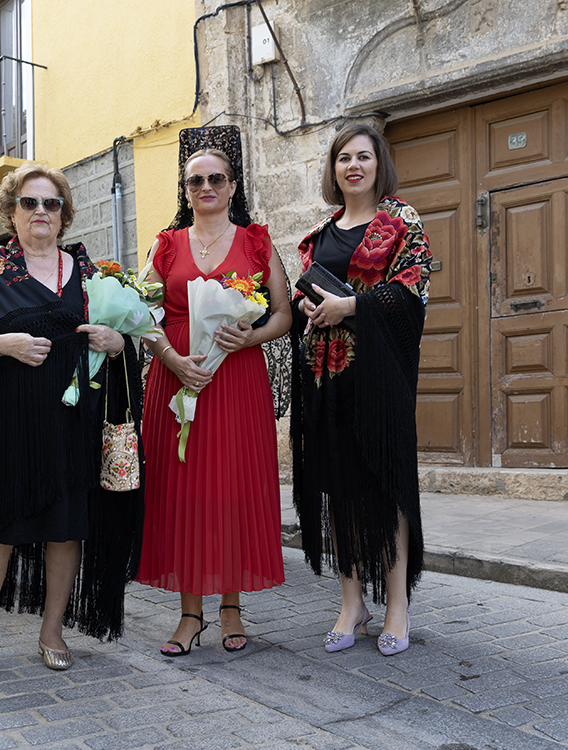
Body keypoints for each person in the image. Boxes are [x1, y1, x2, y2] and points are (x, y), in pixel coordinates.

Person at [0, 162, 144, 681]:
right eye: (29, 203)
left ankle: (52, 630)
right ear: (11, 212)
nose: (40, 212)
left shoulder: (92, 275)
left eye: (50, 204)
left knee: (66, 530)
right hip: (10, 429)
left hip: (76, 425)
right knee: (0, 533)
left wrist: (119, 343)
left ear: (63, 213)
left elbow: (124, 337)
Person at [135, 127, 290, 656]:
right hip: (176, 374)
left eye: (215, 179)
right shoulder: (165, 244)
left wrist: (252, 334)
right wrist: (173, 359)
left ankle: (230, 608)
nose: (206, 187)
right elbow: (142, 314)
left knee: (231, 487)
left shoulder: (257, 242)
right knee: (180, 491)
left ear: (231, 186)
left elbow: (284, 316)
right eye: (195, 180)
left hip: (236, 380)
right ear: (185, 189)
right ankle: (188, 614)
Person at [290, 123, 431, 656]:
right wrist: (310, 307)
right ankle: (352, 601)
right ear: (333, 170)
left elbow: (413, 289)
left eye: (363, 157)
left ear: (379, 164)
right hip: (328, 380)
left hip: (380, 381)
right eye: (343, 158)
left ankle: (397, 603)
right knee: (339, 490)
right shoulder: (318, 235)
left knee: (385, 487)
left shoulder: (400, 222)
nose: (353, 166)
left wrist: (351, 306)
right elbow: (309, 296)